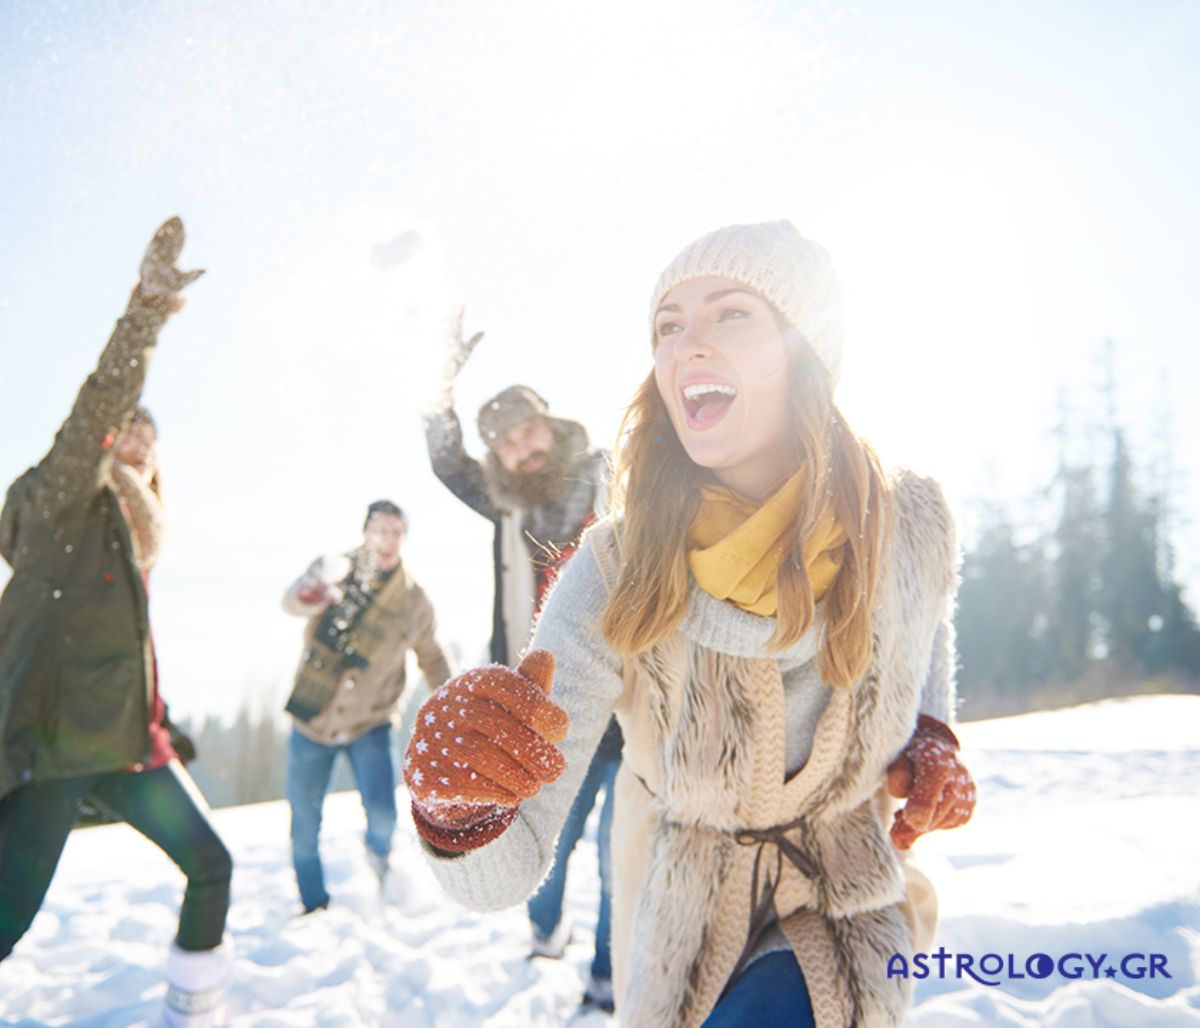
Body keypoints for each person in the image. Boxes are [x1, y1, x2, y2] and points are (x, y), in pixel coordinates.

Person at [403, 220, 977, 1027]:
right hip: (639, 810)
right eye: (668, 327)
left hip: (849, 899)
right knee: (586, 844)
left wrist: (930, 732)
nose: (686, 346)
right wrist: (460, 808)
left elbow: (929, 620)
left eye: (730, 314)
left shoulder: (908, 521)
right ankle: (579, 954)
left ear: (805, 343)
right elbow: (499, 872)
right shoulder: (608, 562)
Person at [0, 218, 234, 1028]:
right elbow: (94, 410)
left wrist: (155, 716)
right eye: (127, 427)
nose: (137, 437)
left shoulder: (137, 539)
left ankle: (191, 1009)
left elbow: (117, 644)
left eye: (149, 434)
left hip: (128, 742)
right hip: (56, 748)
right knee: (5, 923)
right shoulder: (66, 497)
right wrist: (144, 313)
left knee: (211, 863)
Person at [425, 339, 620, 1009]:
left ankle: (607, 974)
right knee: (550, 839)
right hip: (549, 704)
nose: (521, 445)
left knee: (623, 853)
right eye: (504, 440)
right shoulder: (506, 503)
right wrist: (435, 386)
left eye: (528, 426)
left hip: (636, 696)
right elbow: (446, 461)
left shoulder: (610, 474)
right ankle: (545, 928)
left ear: (551, 421)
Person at [282, 499, 452, 914]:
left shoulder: (413, 600)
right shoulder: (334, 571)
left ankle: (378, 856)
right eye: (381, 529)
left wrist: (453, 706)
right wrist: (310, 593)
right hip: (313, 719)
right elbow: (292, 603)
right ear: (365, 532)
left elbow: (431, 656)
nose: (388, 539)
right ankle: (314, 907)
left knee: (382, 816)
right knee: (304, 827)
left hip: (371, 723)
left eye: (396, 531)